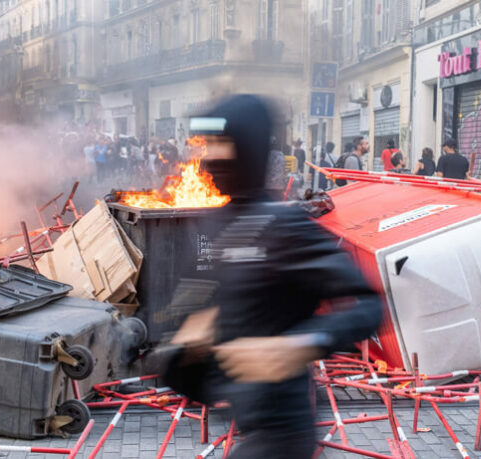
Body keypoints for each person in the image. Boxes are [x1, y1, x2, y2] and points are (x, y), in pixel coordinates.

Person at [163, 95, 382, 459]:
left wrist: (296, 346)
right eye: (206, 146)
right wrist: (186, 345)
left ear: (245, 150)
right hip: (246, 422)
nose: (209, 160)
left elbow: (368, 306)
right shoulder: (212, 225)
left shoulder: (287, 227)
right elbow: (188, 337)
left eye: (220, 145)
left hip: (285, 432)